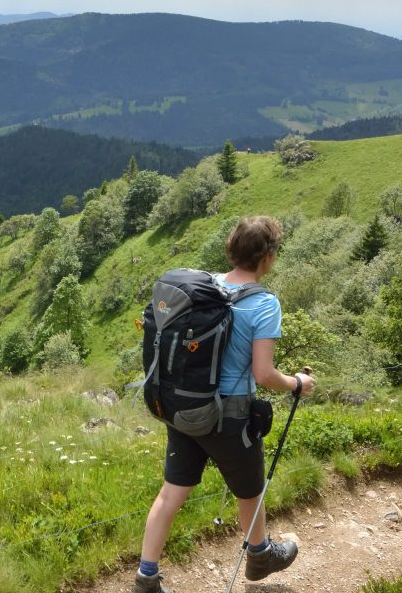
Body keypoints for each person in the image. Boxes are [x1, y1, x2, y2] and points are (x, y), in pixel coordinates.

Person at [135, 215, 313, 593]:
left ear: (232, 249)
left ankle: (146, 578)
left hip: (183, 409)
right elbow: (264, 375)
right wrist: (297, 382)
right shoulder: (264, 305)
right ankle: (261, 556)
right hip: (228, 417)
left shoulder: (207, 286)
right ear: (267, 258)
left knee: (171, 492)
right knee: (249, 490)